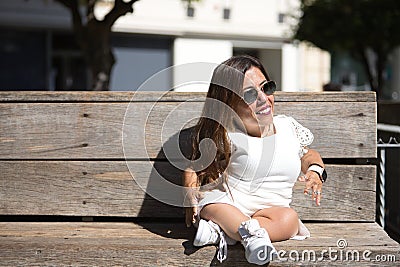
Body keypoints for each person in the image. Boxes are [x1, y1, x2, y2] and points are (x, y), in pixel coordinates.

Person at [182, 55, 326, 265]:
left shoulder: (288, 127)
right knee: (214, 205)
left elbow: (308, 154)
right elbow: (194, 168)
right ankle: (247, 234)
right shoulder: (227, 134)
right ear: (228, 103)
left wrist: (314, 170)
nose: (263, 98)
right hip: (228, 206)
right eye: (249, 94)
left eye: (266, 87)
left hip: (270, 213)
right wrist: (189, 192)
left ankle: (225, 234)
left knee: (289, 220)